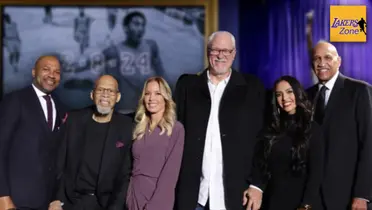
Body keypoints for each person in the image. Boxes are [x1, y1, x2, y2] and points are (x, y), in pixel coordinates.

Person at [174, 31, 266, 210]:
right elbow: (173, 128)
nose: (221, 55)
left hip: (237, 196)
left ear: (234, 54)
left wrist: (257, 184)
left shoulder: (252, 88)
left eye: (226, 51)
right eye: (216, 50)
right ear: (208, 52)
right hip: (194, 197)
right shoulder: (187, 86)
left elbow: (263, 140)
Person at [48, 75, 133, 210]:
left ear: (118, 97)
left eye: (110, 91)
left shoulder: (127, 127)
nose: (105, 94)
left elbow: (125, 175)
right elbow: (59, 163)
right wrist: (56, 199)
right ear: (92, 94)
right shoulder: (74, 120)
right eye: (100, 90)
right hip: (71, 202)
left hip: (106, 204)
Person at [307, 40, 372, 209]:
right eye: (317, 58)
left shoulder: (359, 91)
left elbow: (369, 144)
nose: (322, 63)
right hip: (313, 197)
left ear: (339, 61)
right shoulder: (306, 96)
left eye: (328, 57)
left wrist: (363, 194)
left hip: (348, 196)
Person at [243, 76, 324, 210]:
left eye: (289, 92)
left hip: (301, 204)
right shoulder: (270, 129)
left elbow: (316, 174)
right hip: (273, 202)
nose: (284, 98)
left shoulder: (312, 129)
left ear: (298, 93)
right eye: (279, 94)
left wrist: (306, 205)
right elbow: (260, 166)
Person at [0, 55, 65, 210]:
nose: (51, 75)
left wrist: (55, 198)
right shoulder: (15, 100)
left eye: (57, 72)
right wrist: (2, 196)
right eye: (46, 69)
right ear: (33, 72)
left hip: (45, 201)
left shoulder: (61, 106)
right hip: (15, 201)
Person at [126, 76, 184, 210]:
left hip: (158, 198)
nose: (152, 98)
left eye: (157, 93)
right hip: (133, 197)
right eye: (147, 93)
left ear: (165, 98)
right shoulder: (138, 128)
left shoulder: (175, 129)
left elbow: (170, 174)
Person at [102, 11, 169, 116]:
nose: (141, 29)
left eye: (143, 25)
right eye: (136, 24)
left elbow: (161, 75)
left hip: (149, 107)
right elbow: (111, 84)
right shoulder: (113, 51)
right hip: (126, 107)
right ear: (126, 28)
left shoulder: (151, 46)